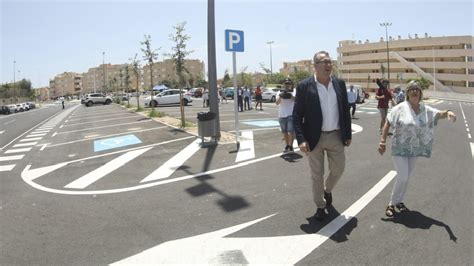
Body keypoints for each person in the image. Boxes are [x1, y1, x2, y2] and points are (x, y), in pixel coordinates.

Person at [378, 81, 456, 217]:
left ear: (420, 93)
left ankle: (399, 201)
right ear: (407, 93)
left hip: (415, 149)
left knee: (406, 177)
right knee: (402, 176)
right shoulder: (401, 107)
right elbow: (388, 122)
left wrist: (449, 112)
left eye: (417, 89)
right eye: (412, 89)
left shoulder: (425, 109)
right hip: (399, 148)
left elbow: (439, 114)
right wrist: (382, 141)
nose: (415, 91)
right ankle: (391, 203)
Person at [293, 51, 352, 221]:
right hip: (313, 138)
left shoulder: (339, 84)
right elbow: (297, 115)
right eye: (324, 62)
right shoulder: (305, 86)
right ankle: (320, 205)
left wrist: (347, 133)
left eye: (329, 62)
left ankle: (328, 190)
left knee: (339, 169)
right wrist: (301, 139)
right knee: (316, 175)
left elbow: (345, 111)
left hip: (336, 135)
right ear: (315, 65)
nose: (328, 65)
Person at [276, 78, 296, 153]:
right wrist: (281, 96)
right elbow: (277, 103)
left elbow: (297, 100)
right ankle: (287, 145)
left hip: (291, 114)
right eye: (286, 83)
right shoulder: (279, 92)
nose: (287, 85)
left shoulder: (294, 91)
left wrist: (290, 96)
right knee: (284, 132)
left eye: (289, 83)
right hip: (282, 114)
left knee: (290, 131)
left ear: (291, 84)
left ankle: (291, 146)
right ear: (283, 84)